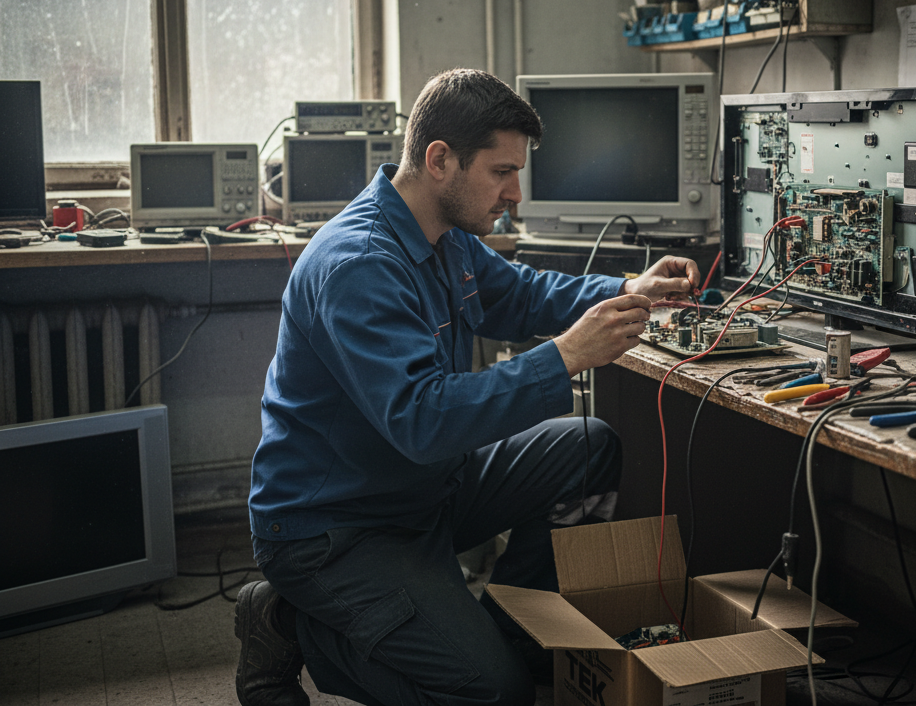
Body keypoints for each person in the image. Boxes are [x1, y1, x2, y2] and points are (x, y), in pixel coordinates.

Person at [236, 68, 699, 706]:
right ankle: (286, 624)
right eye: (501, 172)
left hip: (423, 490)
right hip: (337, 528)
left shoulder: (443, 234)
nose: (514, 192)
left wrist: (627, 291)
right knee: (496, 697)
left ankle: (508, 634)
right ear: (440, 160)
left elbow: (523, 293)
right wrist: (566, 356)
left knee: (588, 448)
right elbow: (422, 422)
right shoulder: (359, 264)